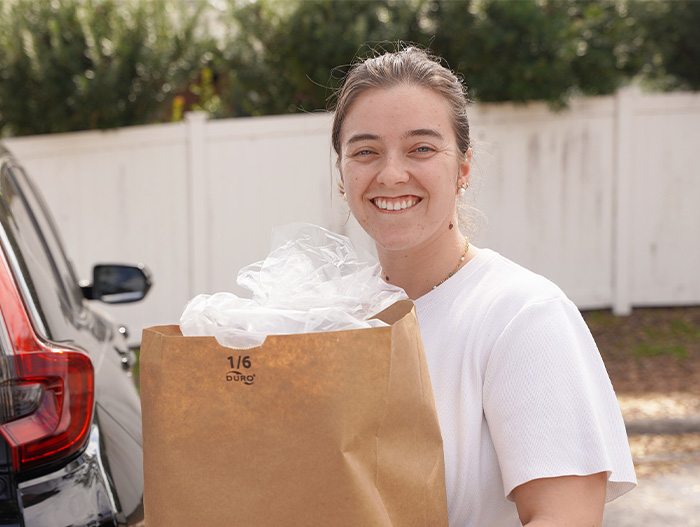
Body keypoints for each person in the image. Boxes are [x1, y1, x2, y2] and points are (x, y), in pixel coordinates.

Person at [330, 45, 636, 527]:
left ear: (464, 169)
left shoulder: (523, 315)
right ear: (342, 176)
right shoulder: (332, 317)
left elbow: (565, 518)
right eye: (365, 151)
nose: (391, 174)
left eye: (422, 149)